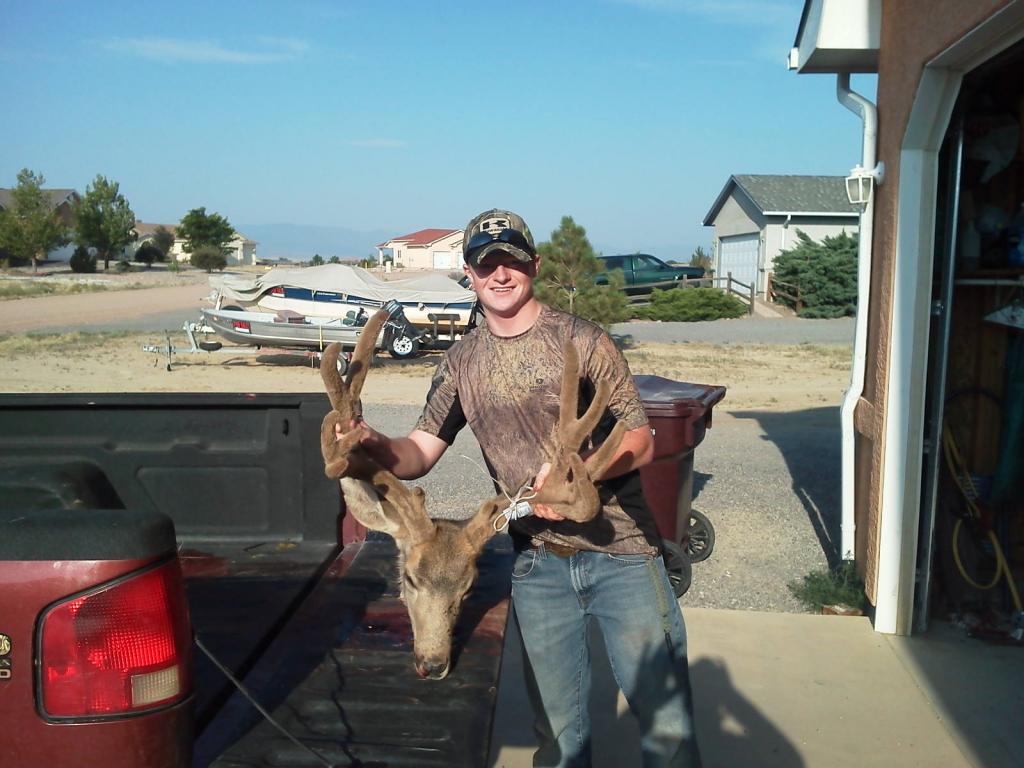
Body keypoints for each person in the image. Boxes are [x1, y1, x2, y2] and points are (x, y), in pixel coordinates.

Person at [354, 209, 702, 767]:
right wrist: (372, 442)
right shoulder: (462, 361)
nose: (499, 273)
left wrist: (579, 473)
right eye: (485, 263)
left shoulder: (583, 341)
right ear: (468, 272)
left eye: (511, 261)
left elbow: (642, 439)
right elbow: (418, 452)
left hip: (624, 555)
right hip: (538, 565)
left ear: (532, 265)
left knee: (667, 730)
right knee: (562, 738)